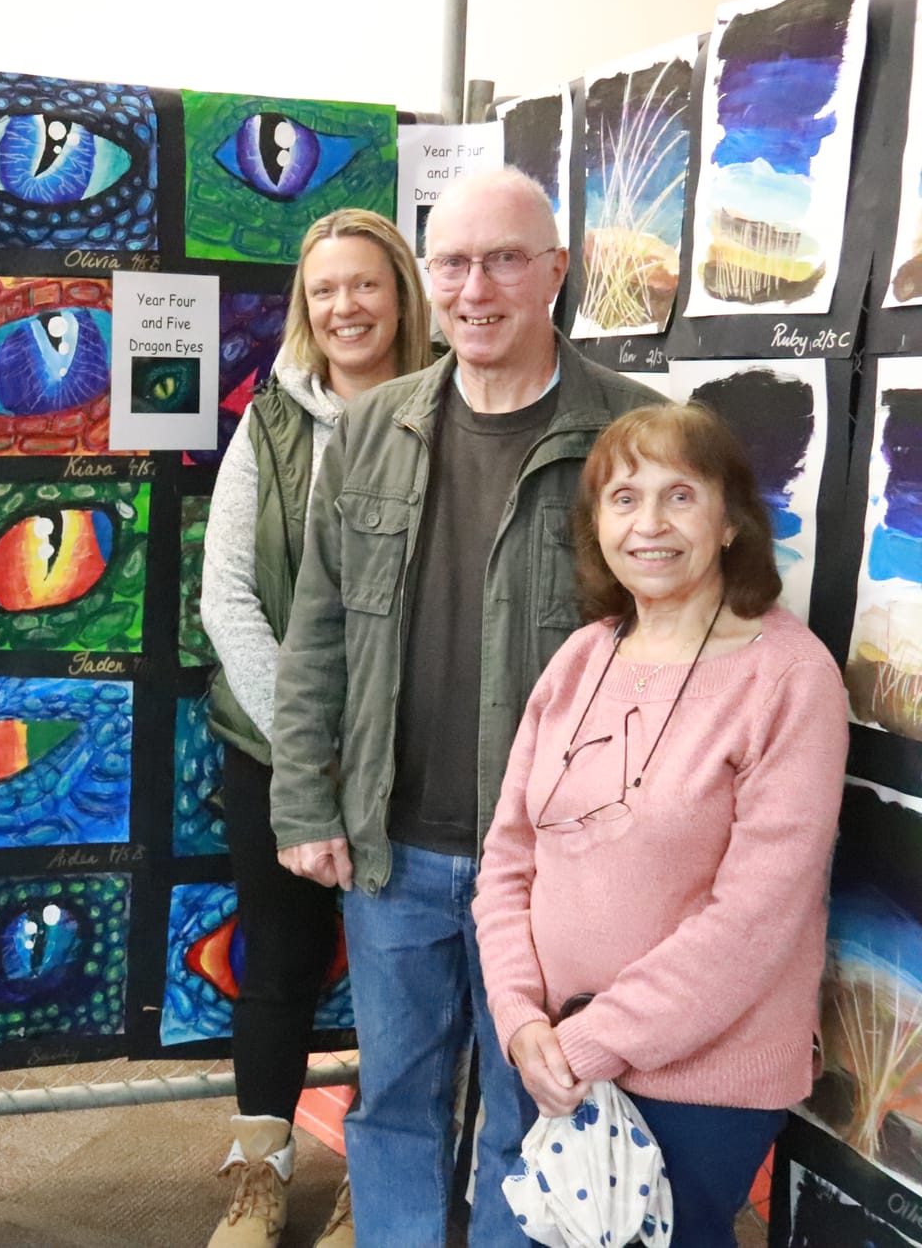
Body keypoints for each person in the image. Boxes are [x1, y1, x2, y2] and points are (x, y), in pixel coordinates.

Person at [265, 168, 662, 1247]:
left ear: (556, 270)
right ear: (426, 277)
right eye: (451, 263)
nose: (474, 289)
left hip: (550, 862)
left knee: (531, 1109)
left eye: (503, 260)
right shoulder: (371, 427)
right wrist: (304, 802)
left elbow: (677, 655)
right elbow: (317, 634)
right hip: (392, 848)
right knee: (392, 1099)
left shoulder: (633, 433)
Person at [474, 403, 846, 1247]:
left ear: (730, 522)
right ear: (597, 525)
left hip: (696, 1085)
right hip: (550, 1057)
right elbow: (508, 857)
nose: (649, 523)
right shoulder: (581, 657)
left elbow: (755, 920)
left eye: (680, 495)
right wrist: (521, 1018)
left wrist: (588, 1042)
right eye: (624, 498)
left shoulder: (790, 679)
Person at [198, 207, 431, 1248]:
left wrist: (373, 736)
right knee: (280, 966)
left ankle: (374, 1188)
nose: (345, 306)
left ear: (401, 295)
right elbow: (226, 597)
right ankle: (257, 1179)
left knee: (404, 977)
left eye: (365, 283)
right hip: (273, 751)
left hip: (411, 753)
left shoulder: (450, 411)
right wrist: (309, 742)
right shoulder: (269, 425)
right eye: (325, 288)